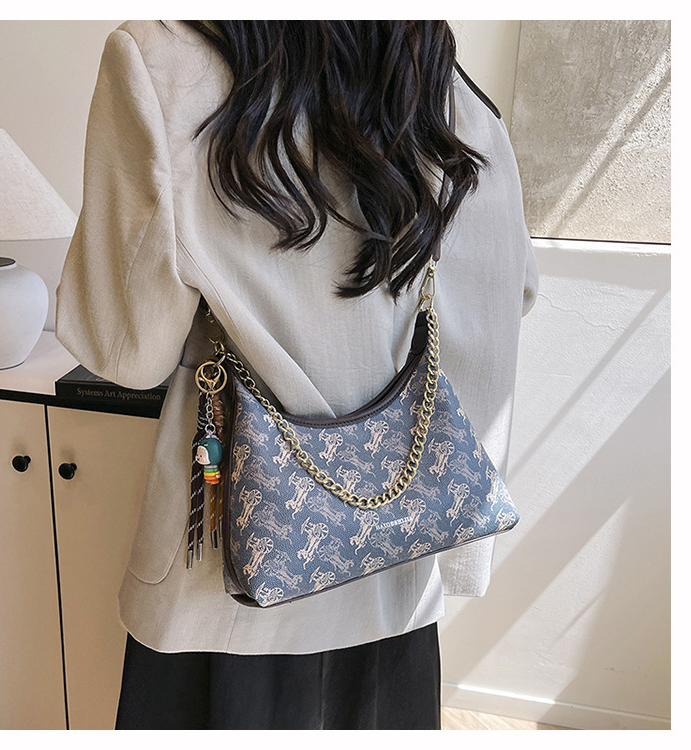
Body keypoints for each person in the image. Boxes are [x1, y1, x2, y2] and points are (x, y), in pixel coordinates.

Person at [55, 20, 538, 730]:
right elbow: (507, 296)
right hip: (393, 577)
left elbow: (124, 350)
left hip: (222, 595)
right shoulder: (439, 82)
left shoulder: (162, 63)